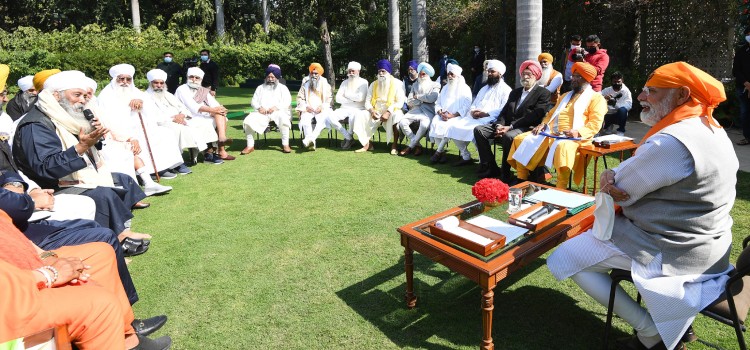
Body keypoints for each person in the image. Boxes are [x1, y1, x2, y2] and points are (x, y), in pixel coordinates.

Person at [547, 61, 737, 350]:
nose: (641, 97)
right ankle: (676, 326)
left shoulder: (671, 142)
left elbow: (620, 190)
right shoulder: (710, 127)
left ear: (683, 95)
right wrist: (614, 179)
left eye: (652, 91)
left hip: (675, 249)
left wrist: (608, 178)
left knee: (564, 256)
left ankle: (650, 333)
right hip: (709, 242)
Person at [12, 70, 152, 244]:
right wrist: (81, 147)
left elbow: (91, 146)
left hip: (73, 174)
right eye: (77, 95)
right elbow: (45, 168)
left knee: (123, 179)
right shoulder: (37, 124)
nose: (82, 100)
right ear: (56, 95)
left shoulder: (64, 115)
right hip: (50, 186)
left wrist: (95, 136)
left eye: (85, 96)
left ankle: (121, 230)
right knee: (103, 194)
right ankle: (111, 239)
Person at [0, 209, 172, 350]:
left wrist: (46, 256)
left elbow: (13, 234)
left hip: (24, 268)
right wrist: (50, 274)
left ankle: (127, 336)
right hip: (11, 296)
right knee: (98, 304)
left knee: (100, 253)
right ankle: (123, 339)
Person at [506, 62, 606, 188]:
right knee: (521, 139)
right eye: (573, 76)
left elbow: (595, 123)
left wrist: (578, 132)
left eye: (578, 77)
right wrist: (543, 124)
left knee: (563, 147)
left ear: (587, 79)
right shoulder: (565, 95)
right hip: (552, 132)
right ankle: (522, 179)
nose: (573, 79)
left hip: (576, 137)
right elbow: (550, 114)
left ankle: (560, 187)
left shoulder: (596, 98)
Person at [96, 64, 186, 181]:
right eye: (121, 78)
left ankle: (161, 167)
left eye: (128, 79)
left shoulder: (135, 91)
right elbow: (110, 121)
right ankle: (148, 172)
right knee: (141, 138)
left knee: (165, 133)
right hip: (120, 132)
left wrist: (141, 102)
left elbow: (149, 106)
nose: (125, 82)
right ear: (115, 79)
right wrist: (129, 136)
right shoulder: (106, 95)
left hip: (140, 126)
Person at [473, 60, 551, 181]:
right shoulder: (515, 92)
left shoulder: (543, 93)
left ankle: (505, 173)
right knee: (479, 130)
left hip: (525, 127)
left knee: (508, 136)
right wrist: (499, 125)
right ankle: (491, 167)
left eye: (529, 74)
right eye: (523, 73)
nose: (525, 76)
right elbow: (504, 111)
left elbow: (534, 116)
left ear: (536, 76)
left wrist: (510, 127)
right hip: (507, 125)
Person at [442, 59, 511, 166]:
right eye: (488, 71)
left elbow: (503, 109)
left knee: (475, 132)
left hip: (490, 119)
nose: (489, 74)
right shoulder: (484, 88)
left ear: (500, 74)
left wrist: (485, 113)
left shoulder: (506, 90)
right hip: (474, 117)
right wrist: (473, 111)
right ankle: (466, 156)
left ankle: (483, 161)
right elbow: (474, 103)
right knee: (452, 127)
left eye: (492, 72)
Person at [143, 68, 212, 172]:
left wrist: (182, 115)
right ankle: (176, 163)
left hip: (179, 120)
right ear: (150, 83)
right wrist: (173, 119)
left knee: (200, 125)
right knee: (176, 130)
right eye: (156, 83)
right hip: (161, 123)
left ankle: (208, 153)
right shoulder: (145, 97)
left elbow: (183, 108)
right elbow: (151, 116)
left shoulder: (168, 95)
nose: (159, 85)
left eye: (161, 83)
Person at [174, 66, 233, 163]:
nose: (194, 80)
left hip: (203, 114)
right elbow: (193, 106)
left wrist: (221, 109)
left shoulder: (202, 89)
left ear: (201, 79)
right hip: (188, 116)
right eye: (191, 77)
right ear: (187, 77)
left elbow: (214, 103)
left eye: (197, 78)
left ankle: (221, 142)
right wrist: (214, 110)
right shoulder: (182, 89)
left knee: (221, 115)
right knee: (207, 122)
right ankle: (209, 153)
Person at [351, 59, 406, 154]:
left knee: (397, 116)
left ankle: (394, 145)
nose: (381, 73)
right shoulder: (373, 84)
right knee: (360, 115)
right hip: (376, 111)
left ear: (388, 72)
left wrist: (388, 112)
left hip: (392, 110)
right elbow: (367, 102)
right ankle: (367, 144)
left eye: (383, 71)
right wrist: (372, 111)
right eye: (379, 71)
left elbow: (400, 102)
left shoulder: (398, 83)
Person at [241, 65, 293, 154]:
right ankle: (250, 146)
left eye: (272, 77)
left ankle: (285, 144)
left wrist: (276, 107)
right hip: (262, 113)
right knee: (248, 121)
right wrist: (259, 108)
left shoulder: (283, 88)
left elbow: (287, 101)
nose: (270, 79)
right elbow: (253, 101)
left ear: (277, 77)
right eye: (268, 77)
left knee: (284, 119)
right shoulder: (260, 88)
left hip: (278, 111)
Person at [428, 63, 472, 164]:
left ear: (458, 76)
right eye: (448, 74)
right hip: (443, 115)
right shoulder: (445, 88)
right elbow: (438, 103)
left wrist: (452, 115)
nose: (450, 76)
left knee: (450, 127)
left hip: (458, 117)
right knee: (435, 122)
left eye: (452, 74)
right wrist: (440, 113)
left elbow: (466, 106)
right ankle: (442, 153)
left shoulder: (465, 88)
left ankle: (438, 152)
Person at [398, 62, 440, 156]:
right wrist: (424, 99)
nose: (421, 75)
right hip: (415, 110)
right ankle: (417, 145)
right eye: (420, 73)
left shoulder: (435, 85)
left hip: (427, 112)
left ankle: (410, 146)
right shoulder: (415, 85)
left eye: (423, 73)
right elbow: (409, 100)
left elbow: (433, 98)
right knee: (402, 122)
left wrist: (418, 97)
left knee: (424, 125)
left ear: (428, 74)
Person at [328, 61, 367, 150]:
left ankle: (349, 138)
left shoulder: (364, 82)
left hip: (358, 109)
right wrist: (353, 99)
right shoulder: (344, 83)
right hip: (344, 108)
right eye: (349, 71)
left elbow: (360, 98)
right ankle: (348, 137)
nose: (351, 73)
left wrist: (346, 96)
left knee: (354, 116)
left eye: (353, 71)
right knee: (330, 117)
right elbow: (338, 98)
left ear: (358, 71)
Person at [298, 63, 333, 151]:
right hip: (308, 109)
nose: (313, 75)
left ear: (320, 74)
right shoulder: (305, 84)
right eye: (312, 73)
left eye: (316, 73)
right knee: (305, 120)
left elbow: (329, 99)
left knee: (321, 121)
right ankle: (312, 143)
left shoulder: (325, 84)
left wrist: (322, 107)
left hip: (321, 109)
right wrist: (306, 107)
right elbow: (300, 98)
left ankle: (310, 139)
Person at [600, 72, 633, 136]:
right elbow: (597, 98)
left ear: (622, 81)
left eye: (618, 81)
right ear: (611, 81)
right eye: (614, 82)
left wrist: (615, 104)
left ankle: (621, 130)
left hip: (618, 115)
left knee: (623, 110)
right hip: (607, 114)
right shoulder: (607, 90)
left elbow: (629, 105)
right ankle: (608, 126)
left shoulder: (626, 91)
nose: (617, 83)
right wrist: (603, 98)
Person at [733, 26, 750, 145]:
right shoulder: (741, 52)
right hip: (743, 88)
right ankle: (747, 137)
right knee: (745, 113)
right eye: (748, 34)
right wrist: (745, 82)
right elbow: (736, 71)